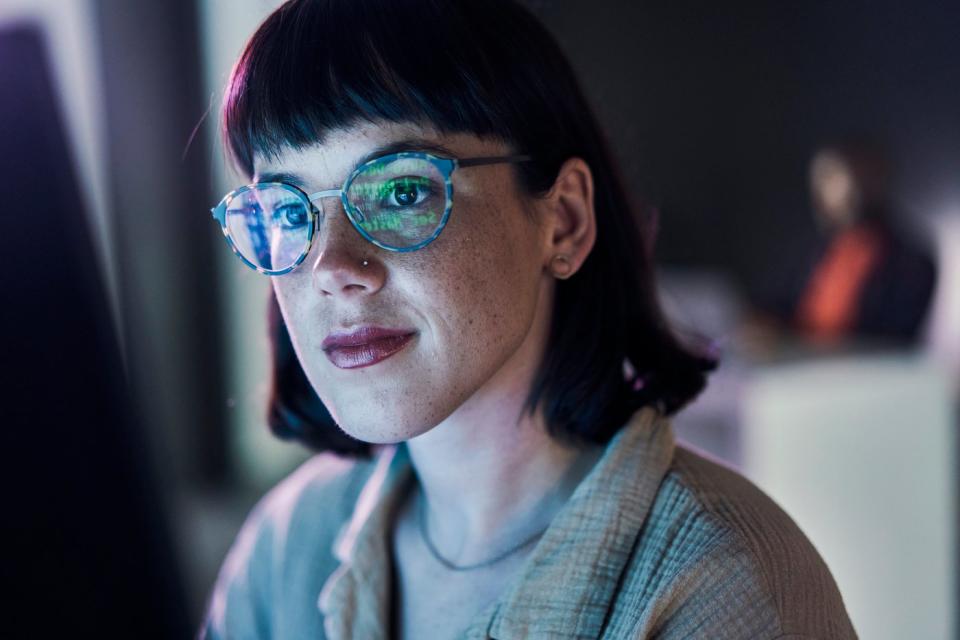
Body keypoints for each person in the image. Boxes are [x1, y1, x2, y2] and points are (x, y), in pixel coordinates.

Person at [201, 1, 856, 638]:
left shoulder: (721, 585)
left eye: (402, 191)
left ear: (563, 220)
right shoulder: (286, 548)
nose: (331, 266)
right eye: (288, 212)